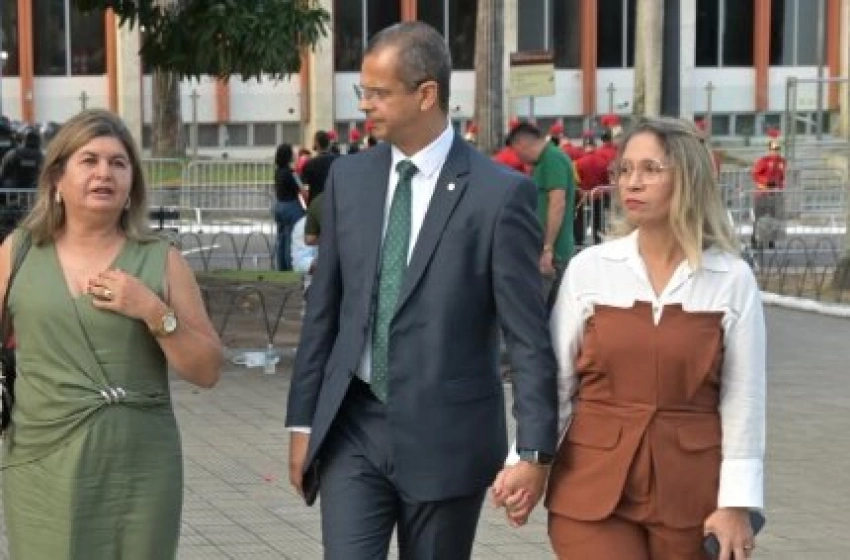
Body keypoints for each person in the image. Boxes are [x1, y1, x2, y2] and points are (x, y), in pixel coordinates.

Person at [286, 21, 557, 560]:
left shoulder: (501, 197)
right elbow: (325, 309)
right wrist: (302, 421)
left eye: (379, 92)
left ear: (426, 93)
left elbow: (528, 338)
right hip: (353, 428)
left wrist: (533, 451)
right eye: (364, 90)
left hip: (447, 437)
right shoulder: (349, 180)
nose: (365, 104)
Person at [493, 116, 766, 560]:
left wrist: (736, 503)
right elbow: (556, 382)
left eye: (651, 170)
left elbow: (744, 401)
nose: (631, 182)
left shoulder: (731, 279)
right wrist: (527, 461)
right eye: (625, 170)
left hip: (691, 492)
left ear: (690, 179)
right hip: (591, 486)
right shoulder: (591, 270)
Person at [0, 109, 223, 559]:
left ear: (131, 186)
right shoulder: (18, 251)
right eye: (90, 160)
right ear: (57, 178)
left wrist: (152, 310)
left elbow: (207, 369)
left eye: (119, 164)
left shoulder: (162, 259)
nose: (105, 173)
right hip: (42, 460)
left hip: (138, 467)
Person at [507, 121, 577, 307]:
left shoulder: (552, 159)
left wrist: (548, 248)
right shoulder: (545, 161)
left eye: (516, 150)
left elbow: (557, 203)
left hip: (553, 254)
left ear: (521, 143)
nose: (519, 157)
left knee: (544, 313)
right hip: (547, 251)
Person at [750, 130, 785, 249]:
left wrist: (779, 186)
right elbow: (755, 174)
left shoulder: (782, 162)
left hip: (774, 193)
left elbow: (782, 176)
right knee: (759, 217)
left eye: (777, 149)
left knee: (773, 217)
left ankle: (771, 240)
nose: (775, 152)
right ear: (769, 150)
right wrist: (765, 182)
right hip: (762, 193)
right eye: (773, 149)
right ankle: (755, 238)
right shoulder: (763, 161)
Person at [273, 143, 306, 271]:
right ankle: (289, 266)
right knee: (290, 238)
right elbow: (302, 189)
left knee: (281, 238)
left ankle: (281, 267)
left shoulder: (278, 172)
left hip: (279, 205)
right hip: (291, 206)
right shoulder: (292, 173)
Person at [300, 130, 338, 201]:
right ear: (329, 143)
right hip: (334, 201)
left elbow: (302, 186)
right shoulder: (338, 160)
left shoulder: (310, 164)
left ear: (317, 143)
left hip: (316, 202)